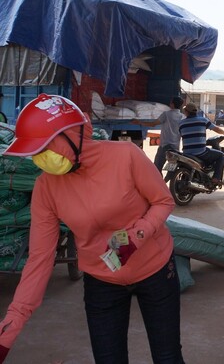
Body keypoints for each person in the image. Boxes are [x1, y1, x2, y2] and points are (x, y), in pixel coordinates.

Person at [0, 94, 183, 364]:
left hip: (155, 271)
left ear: (72, 135)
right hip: (102, 280)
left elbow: (163, 201)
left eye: (45, 148)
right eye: (35, 152)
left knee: (167, 357)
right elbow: (39, 259)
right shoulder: (46, 188)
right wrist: (9, 330)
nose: (40, 160)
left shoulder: (126, 156)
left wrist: (138, 234)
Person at [179, 102, 224, 186]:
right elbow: (216, 129)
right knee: (221, 155)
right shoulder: (203, 120)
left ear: (186, 111)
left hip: (186, 152)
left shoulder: (181, 123)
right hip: (200, 152)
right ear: (196, 112)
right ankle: (216, 179)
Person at [132, 95, 184, 173]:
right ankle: (168, 182)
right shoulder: (182, 117)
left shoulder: (166, 114)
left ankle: (159, 182)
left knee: (157, 168)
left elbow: (153, 124)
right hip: (175, 147)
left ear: (172, 104)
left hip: (164, 146)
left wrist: (139, 122)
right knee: (172, 169)